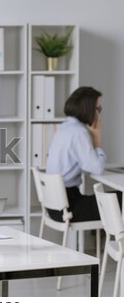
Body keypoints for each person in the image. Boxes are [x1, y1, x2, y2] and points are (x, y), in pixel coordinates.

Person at [46, 86, 118, 222]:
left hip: (54, 203)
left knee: (116, 199)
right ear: (89, 109)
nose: (99, 114)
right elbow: (96, 168)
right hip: (68, 206)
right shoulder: (78, 133)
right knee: (120, 200)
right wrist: (97, 137)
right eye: (99, 109)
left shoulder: (65, 127)